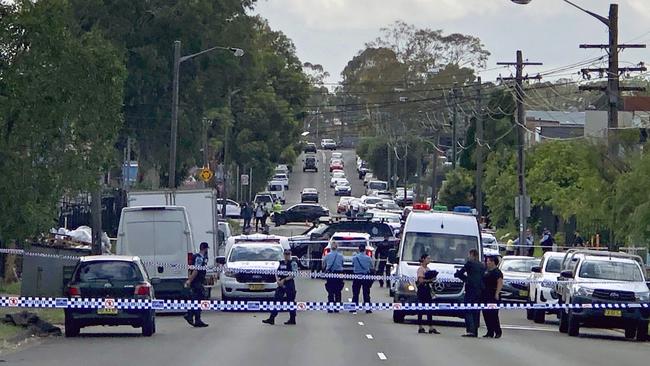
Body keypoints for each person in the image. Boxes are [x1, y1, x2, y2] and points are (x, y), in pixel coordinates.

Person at [263, 248, 298, 325]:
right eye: (286, 254)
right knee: (276, 301)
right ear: (284, 254)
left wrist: (284, 280)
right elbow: (276, 272)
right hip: (281, 284)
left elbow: (294, 274)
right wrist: (278, 281)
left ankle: (292, 319)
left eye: (288, 254)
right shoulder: (281, 263)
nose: (287, 255)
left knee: (290, 302)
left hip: (289, 284)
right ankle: (271, 318)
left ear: (290, 254)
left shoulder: (293, 263)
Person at [454, 249, 484, 337]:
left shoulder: (469, 264)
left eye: (469, 255)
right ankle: (475, 331)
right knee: (476, 311)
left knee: (468, 310)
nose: (468, 257)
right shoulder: (482, 265)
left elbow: (460, 273)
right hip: (480, 291)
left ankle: (470, 330)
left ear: (472, 255)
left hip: (470, 289)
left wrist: (464, 278)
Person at [184, 242, 209, 327]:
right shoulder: (199, 258)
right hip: (196, 282)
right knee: (198, 299)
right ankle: (190, 315)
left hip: (198, 281)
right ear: (205, 249)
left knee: (197, 300)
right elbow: (195, 271)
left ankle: (195, 318)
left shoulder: (198, 257)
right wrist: (190, 281)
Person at [416, 253, 440, 334]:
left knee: (429, 308)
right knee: (421, 308)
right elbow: (420, 281)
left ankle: (431, 326)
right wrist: (429, 280)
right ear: (423, 259)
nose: (429, 260)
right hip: (422, 290)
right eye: (427, 258)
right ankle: (420, 326)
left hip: (428, 290)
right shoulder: (421, 269)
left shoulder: (428, 269)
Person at [482, 256, 504, 338]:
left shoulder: (497, 272)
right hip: (485, 295)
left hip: (493, 295)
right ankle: (489, 331)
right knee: (486, 314)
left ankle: (498, 332)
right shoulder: (486, 271)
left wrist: (497, 293)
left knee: (493, 314)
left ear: (493, 262)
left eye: (488, 261)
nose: (486, 263)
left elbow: (500, 282)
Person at [323, 241, 344, 313]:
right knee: (338, 291)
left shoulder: (327, 255)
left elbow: (324, 264)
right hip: (338, 274)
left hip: (330, 274)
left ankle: (330, 307)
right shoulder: (340, 256)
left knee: (330, 291)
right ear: (337, 247)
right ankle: (337, 307)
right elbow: (342, 264)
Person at [351, 243, 373, 314]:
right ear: (365, 249)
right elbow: (371, 267)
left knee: (355, 293)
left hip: (357, 276)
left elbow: (353, 265)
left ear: (358, 249)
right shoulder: (368, 258)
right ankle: (367, 308)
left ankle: (353, 308)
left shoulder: (355, 257)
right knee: (366, 293)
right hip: (365, 276)